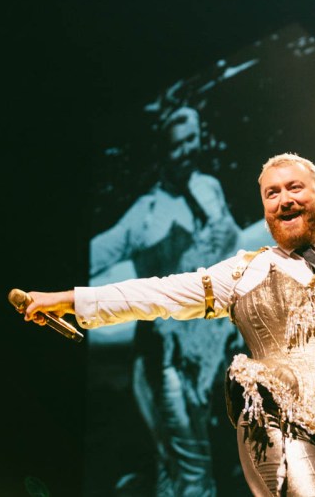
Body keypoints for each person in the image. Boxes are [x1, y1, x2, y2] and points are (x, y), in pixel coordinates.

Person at [23, 153, 315, 496]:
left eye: (294, 188)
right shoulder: (245, 271)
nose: (284, 200)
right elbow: (158, 293)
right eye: (272, 193)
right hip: (276, 419)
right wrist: (71, 300)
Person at [90, 105, 243, 496]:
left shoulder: (209, 188)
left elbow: (229, 253)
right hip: (166, 361)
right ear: (161, 152)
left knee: (174, 469)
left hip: (205, 356)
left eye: (193, 140)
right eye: (177, 146)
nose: (188, 151)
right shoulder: (147, 214)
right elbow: (95, 253)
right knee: (195, 475)